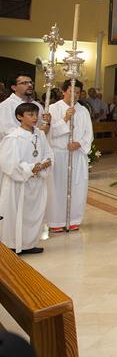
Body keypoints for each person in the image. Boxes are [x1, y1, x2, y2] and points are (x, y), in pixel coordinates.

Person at [0, 103, 52, 255]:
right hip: (18, 184)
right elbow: (8, 162)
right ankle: (13, 245)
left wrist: (44, 165)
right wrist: (30, 169)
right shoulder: (13, 138)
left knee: (33, 213)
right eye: (30, 115)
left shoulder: (40, 135)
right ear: (19, 117)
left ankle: (29, 243)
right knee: (16, 213)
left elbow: (48, 153)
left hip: (36, 182)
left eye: (36, 114)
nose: (35, 118)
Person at [46, 79, 93, 232]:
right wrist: (66, 118)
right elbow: (50, 132)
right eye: (72, 91)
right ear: (64, 91)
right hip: (59, 153)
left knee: (77, 187)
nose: (75, 95)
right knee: (57, 188)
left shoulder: (83, 110)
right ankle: (56, 221)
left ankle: (73, 219)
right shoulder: (53, 108)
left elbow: (89, 134)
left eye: (78, 92)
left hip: (77, 154)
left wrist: (79, 143)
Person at [0, 74, 47, 139]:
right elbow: (6, 131)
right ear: (14, 87)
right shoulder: (5, 106)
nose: (30, 85)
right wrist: (36, 132)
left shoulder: (37, 105)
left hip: (36, 145)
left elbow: (42, 126)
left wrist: (47, 123)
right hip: (15, 146)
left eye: (31, 82)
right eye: (24, 83)